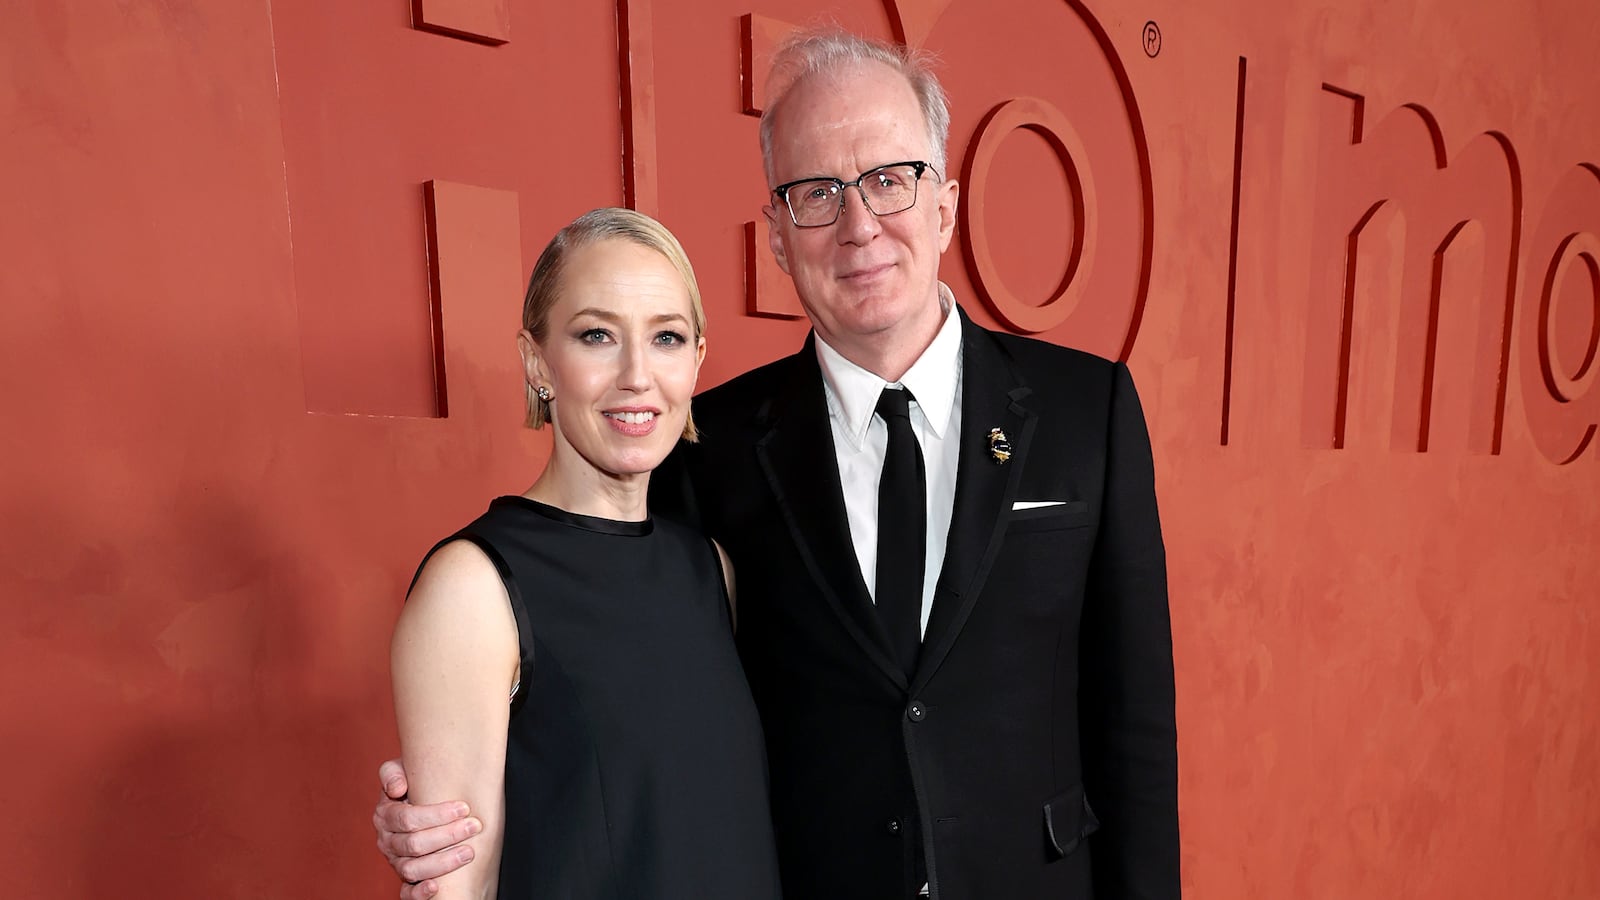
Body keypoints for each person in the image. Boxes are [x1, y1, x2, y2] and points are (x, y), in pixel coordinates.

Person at [376, 30, 1178, 900]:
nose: (859, 224)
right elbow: (629, 694)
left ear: (944, 205)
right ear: (776, 238)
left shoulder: (1085, 410)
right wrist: (454, 809)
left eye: (888, 179)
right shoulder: (706, 446)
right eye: (817, 193)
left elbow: (1134, 730)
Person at [387, 207, 781, 900]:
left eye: (666, 337)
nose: (636, 374)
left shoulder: (710, 570)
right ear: (537, 361)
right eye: (596, 335)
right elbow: (457, 888)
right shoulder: (472, 587)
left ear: (695, 362)